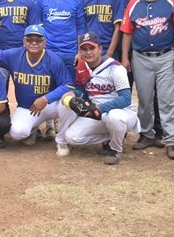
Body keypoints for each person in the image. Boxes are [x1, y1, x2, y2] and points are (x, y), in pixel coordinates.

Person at [120, 0, 174, 160]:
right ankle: (147, 135)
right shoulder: (134, 3)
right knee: (144, 99)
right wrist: (125, 57)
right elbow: (127, 32)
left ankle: (172, 139)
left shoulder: (171, 1)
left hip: (166, 56)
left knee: (167, 99)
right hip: (141, 57)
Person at [57, 32, 140, 164]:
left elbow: (125, 99)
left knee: (114, 117)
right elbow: (83, 90)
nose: (88, 52)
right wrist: (74, 93)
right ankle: (112, 136)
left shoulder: (115, 68)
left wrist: (99, 108)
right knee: (72, 137)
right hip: (98, 115)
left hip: (122, 112)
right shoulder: (82, 66)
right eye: (84, 49)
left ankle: (115, 149)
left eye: (92, 48)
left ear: (100, 49)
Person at [0, 25, 75, 146]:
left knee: (69, 103)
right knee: (16, 133)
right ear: (24, 42)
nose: (34, 43)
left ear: (45, 43)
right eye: (29, 39)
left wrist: (46, 98)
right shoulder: (15, 55)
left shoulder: (54, 59)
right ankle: (33, 129)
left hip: (50, 105)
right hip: (28, 107)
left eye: (38, 40)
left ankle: (62, 140)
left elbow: (67, 84)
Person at [119, 0, 164, 147]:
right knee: (123, 91)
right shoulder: (119, 0)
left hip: (147, 54)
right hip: (124, 54)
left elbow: (164, 23)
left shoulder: (154, 0)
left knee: (154, 94)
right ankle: (121, 129)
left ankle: (157, 131)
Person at [36, 0, 86, 81]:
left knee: (70, 85)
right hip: (49, 52)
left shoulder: (76, 0)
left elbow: (81, 28)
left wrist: (80, 52)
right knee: (48, 86)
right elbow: (38, 27)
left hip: (70, 53)